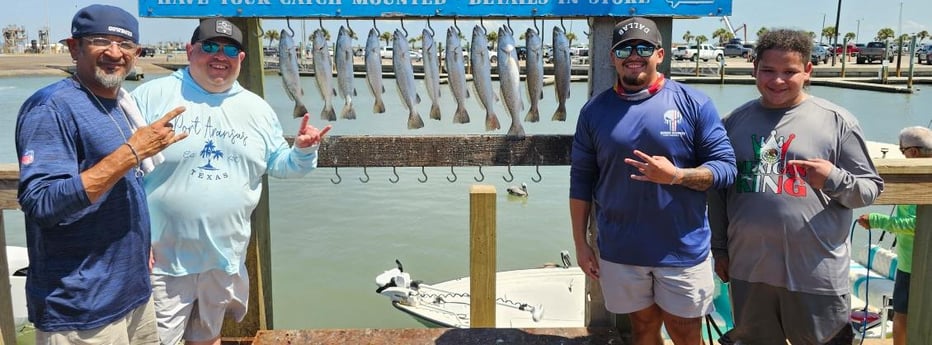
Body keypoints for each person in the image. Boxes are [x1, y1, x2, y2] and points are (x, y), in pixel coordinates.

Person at [131, 18, 332, 345]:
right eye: (209, 46)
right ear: (190, 50)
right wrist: (133, 236)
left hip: (224, 257)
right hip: (161, 262)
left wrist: (303, 151)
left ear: (241, 58)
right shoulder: (151, 96)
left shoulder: (257, 108)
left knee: (208, 338)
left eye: (230, 49)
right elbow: (122, 170)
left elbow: (282, 165)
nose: (219, 55)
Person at [15, 4, 186, 344]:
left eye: (125, 45)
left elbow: (123, 185)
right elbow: (42, 204)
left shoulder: (119, 105)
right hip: (81, 308)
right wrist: (132, 152)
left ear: (136, 53)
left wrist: (140, 240)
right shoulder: (51, 108)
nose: (114, 52)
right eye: (100, 41)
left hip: (132, 294)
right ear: (74, 47)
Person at [709, 28, 884, 345]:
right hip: (749, 271)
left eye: (789, 72)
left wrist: (833, 178)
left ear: (807, 72)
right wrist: (719, 249)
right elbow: (718, 194)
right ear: (754, 69)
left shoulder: (837, 121)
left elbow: (870, 189)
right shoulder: (732, 122)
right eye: (768, 71)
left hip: (815, 276)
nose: (777, 81)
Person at [569, 17, 737, 345]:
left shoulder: (695, 103)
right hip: (621, 248)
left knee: (685, 332)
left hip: (683, 249)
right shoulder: (593, 111)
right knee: (643, 328)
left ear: (660, 54)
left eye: (644, 47)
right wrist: (580, 243)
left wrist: (677, 176)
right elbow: (581, 180)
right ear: (612, 57)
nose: (634, 54)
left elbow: (726, 168)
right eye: (625, 48)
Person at [856, 126, 931, 345]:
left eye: (902, 150)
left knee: (902, 318)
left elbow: (919, 224)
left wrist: (878, 221)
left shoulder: (919, 178)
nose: (902, 155)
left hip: (912, 266)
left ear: (914, 153)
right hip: (911, 263)